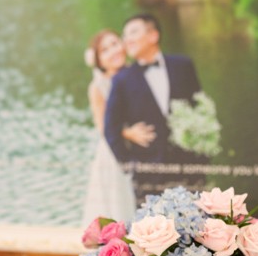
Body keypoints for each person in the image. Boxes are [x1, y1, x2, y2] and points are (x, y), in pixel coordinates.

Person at [104, 14, 204, 202]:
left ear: (153, 36)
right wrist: (130, 166)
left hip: (189, 169)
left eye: (133, 32)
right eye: (125, 35)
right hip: (148, 177)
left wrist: (201, 158)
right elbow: (110, 129)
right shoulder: (122, 80)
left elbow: (200, 110)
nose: (127, 39)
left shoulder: (183, 66)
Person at [82, 29, 155, 225]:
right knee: (120, 202)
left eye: (115, 44)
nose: (113, 51)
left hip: (144, 146)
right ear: (99, 61)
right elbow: (102, 126)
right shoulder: (98, 86)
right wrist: (128, 133)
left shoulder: (137, 71)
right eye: (105, 50)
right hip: (114, 151)